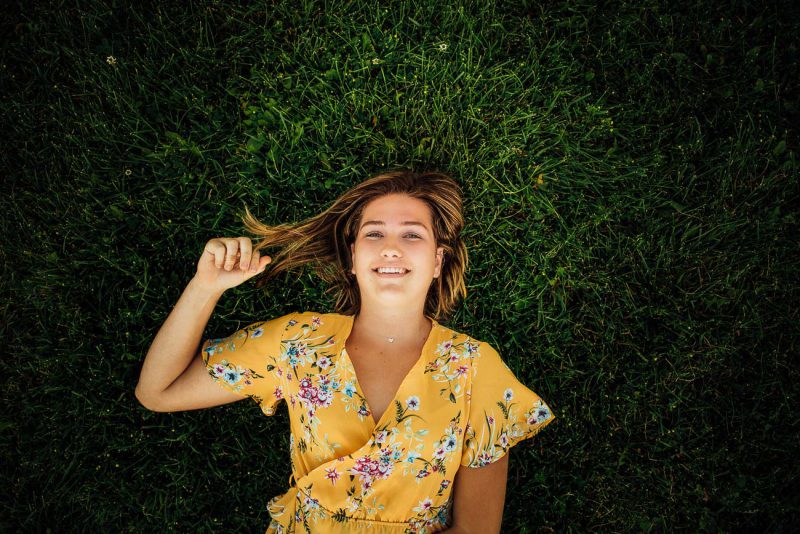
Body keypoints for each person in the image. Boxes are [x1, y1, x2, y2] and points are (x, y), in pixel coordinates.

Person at [135, 169, 555, 533]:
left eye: (412, 234)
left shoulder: (475, 367)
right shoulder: (297, 342)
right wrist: (205, 288)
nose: (391, 247)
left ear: (437, 261)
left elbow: (476, 529)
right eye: (374, 233)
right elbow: (157, 392)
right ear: (353, 257)